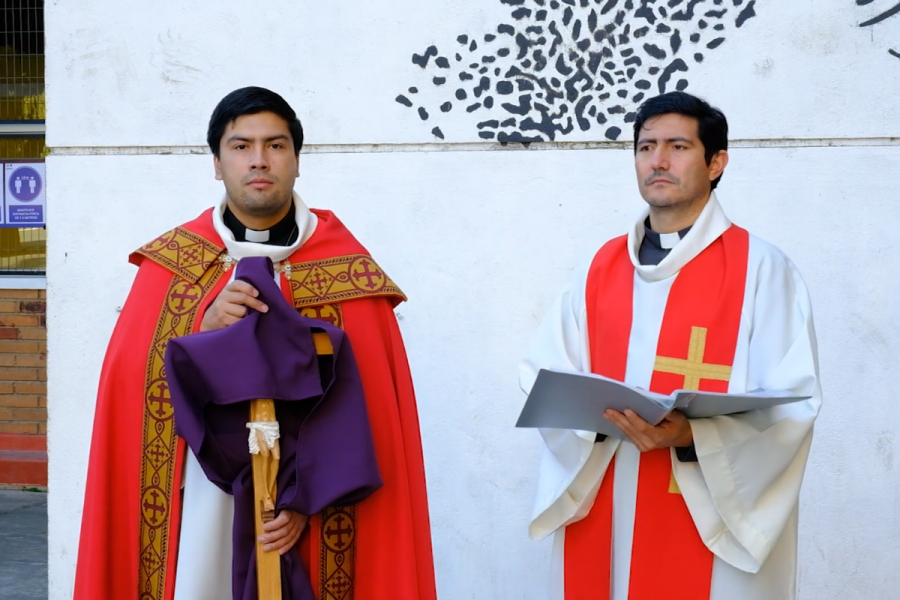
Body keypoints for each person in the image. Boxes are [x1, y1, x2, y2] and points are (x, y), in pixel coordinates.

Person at [74, 86, 437, 600]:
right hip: (202, 501)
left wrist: (305, 500)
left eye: (276, 145)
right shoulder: (174, 268)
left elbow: (371, 409)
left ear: (296, 160)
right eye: (240, 146)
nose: (259, 161)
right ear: (217, 164)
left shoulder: (347, 272)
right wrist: (203, 331)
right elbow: (131, 392)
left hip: (314, 509)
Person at [519, 91, 821, 599]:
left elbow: (794, 405)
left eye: (678, 146)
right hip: (608, 494)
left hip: (705, 513)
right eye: (645, 147)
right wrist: (595, 424)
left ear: (716, 161)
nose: (657, 161)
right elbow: (543, 375)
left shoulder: (761, 270)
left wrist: (691, 438)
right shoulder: (599, 269)